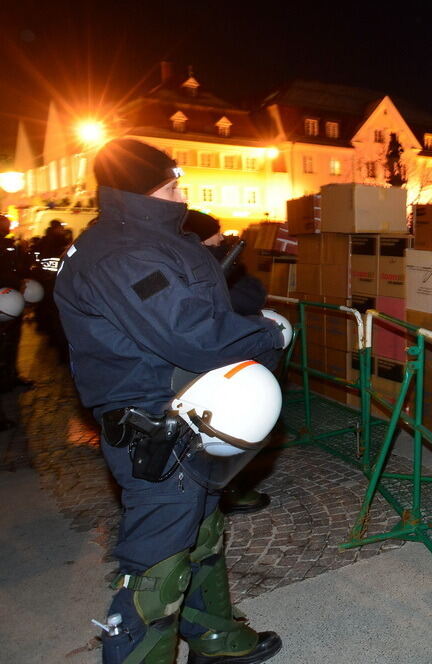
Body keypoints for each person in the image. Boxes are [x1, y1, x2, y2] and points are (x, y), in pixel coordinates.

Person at [54, 138, 286, 664]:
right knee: (158, 559)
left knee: (199, 530)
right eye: (171, 183)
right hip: (158, 423)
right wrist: (267, 334)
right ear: (141, 187)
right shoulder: (125, 251)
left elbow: (182, 307)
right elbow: (194, 334)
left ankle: (215, 638)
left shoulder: (140, 239)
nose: (181, 193)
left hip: (188, 414)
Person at [183, 210, 274, 516]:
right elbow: (248, 297)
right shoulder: (203, 265)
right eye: (215, 233)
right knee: (224, 426)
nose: (221, 237)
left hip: (216, 357)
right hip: (220, 360)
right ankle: (225, 491)